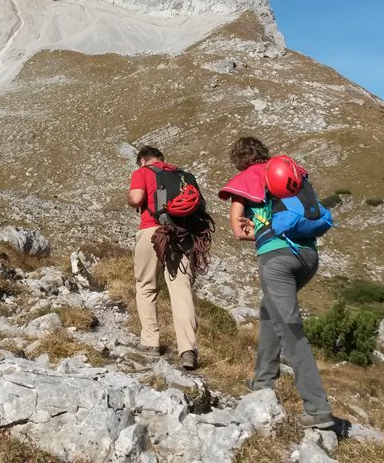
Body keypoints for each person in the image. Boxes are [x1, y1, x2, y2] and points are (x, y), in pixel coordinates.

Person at [218, 136, 335, 429]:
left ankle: (318, 408)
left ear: (239, 161)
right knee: (269, 311)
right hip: (308, 256)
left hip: (277, 260)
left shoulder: (246, 179)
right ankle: (263, 380)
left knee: (290, 329)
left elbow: (237, 230)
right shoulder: (290, 171)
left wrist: (259, 230)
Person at [126, 145, 199, 370]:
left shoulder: (143, 172)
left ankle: (150, 342)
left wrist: (130, 199)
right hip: (181, 235)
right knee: (181, 290)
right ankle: (188, 350)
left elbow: (136, 198)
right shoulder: (182, 175)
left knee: (146, 286)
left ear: (142, 160)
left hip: (153, 232)